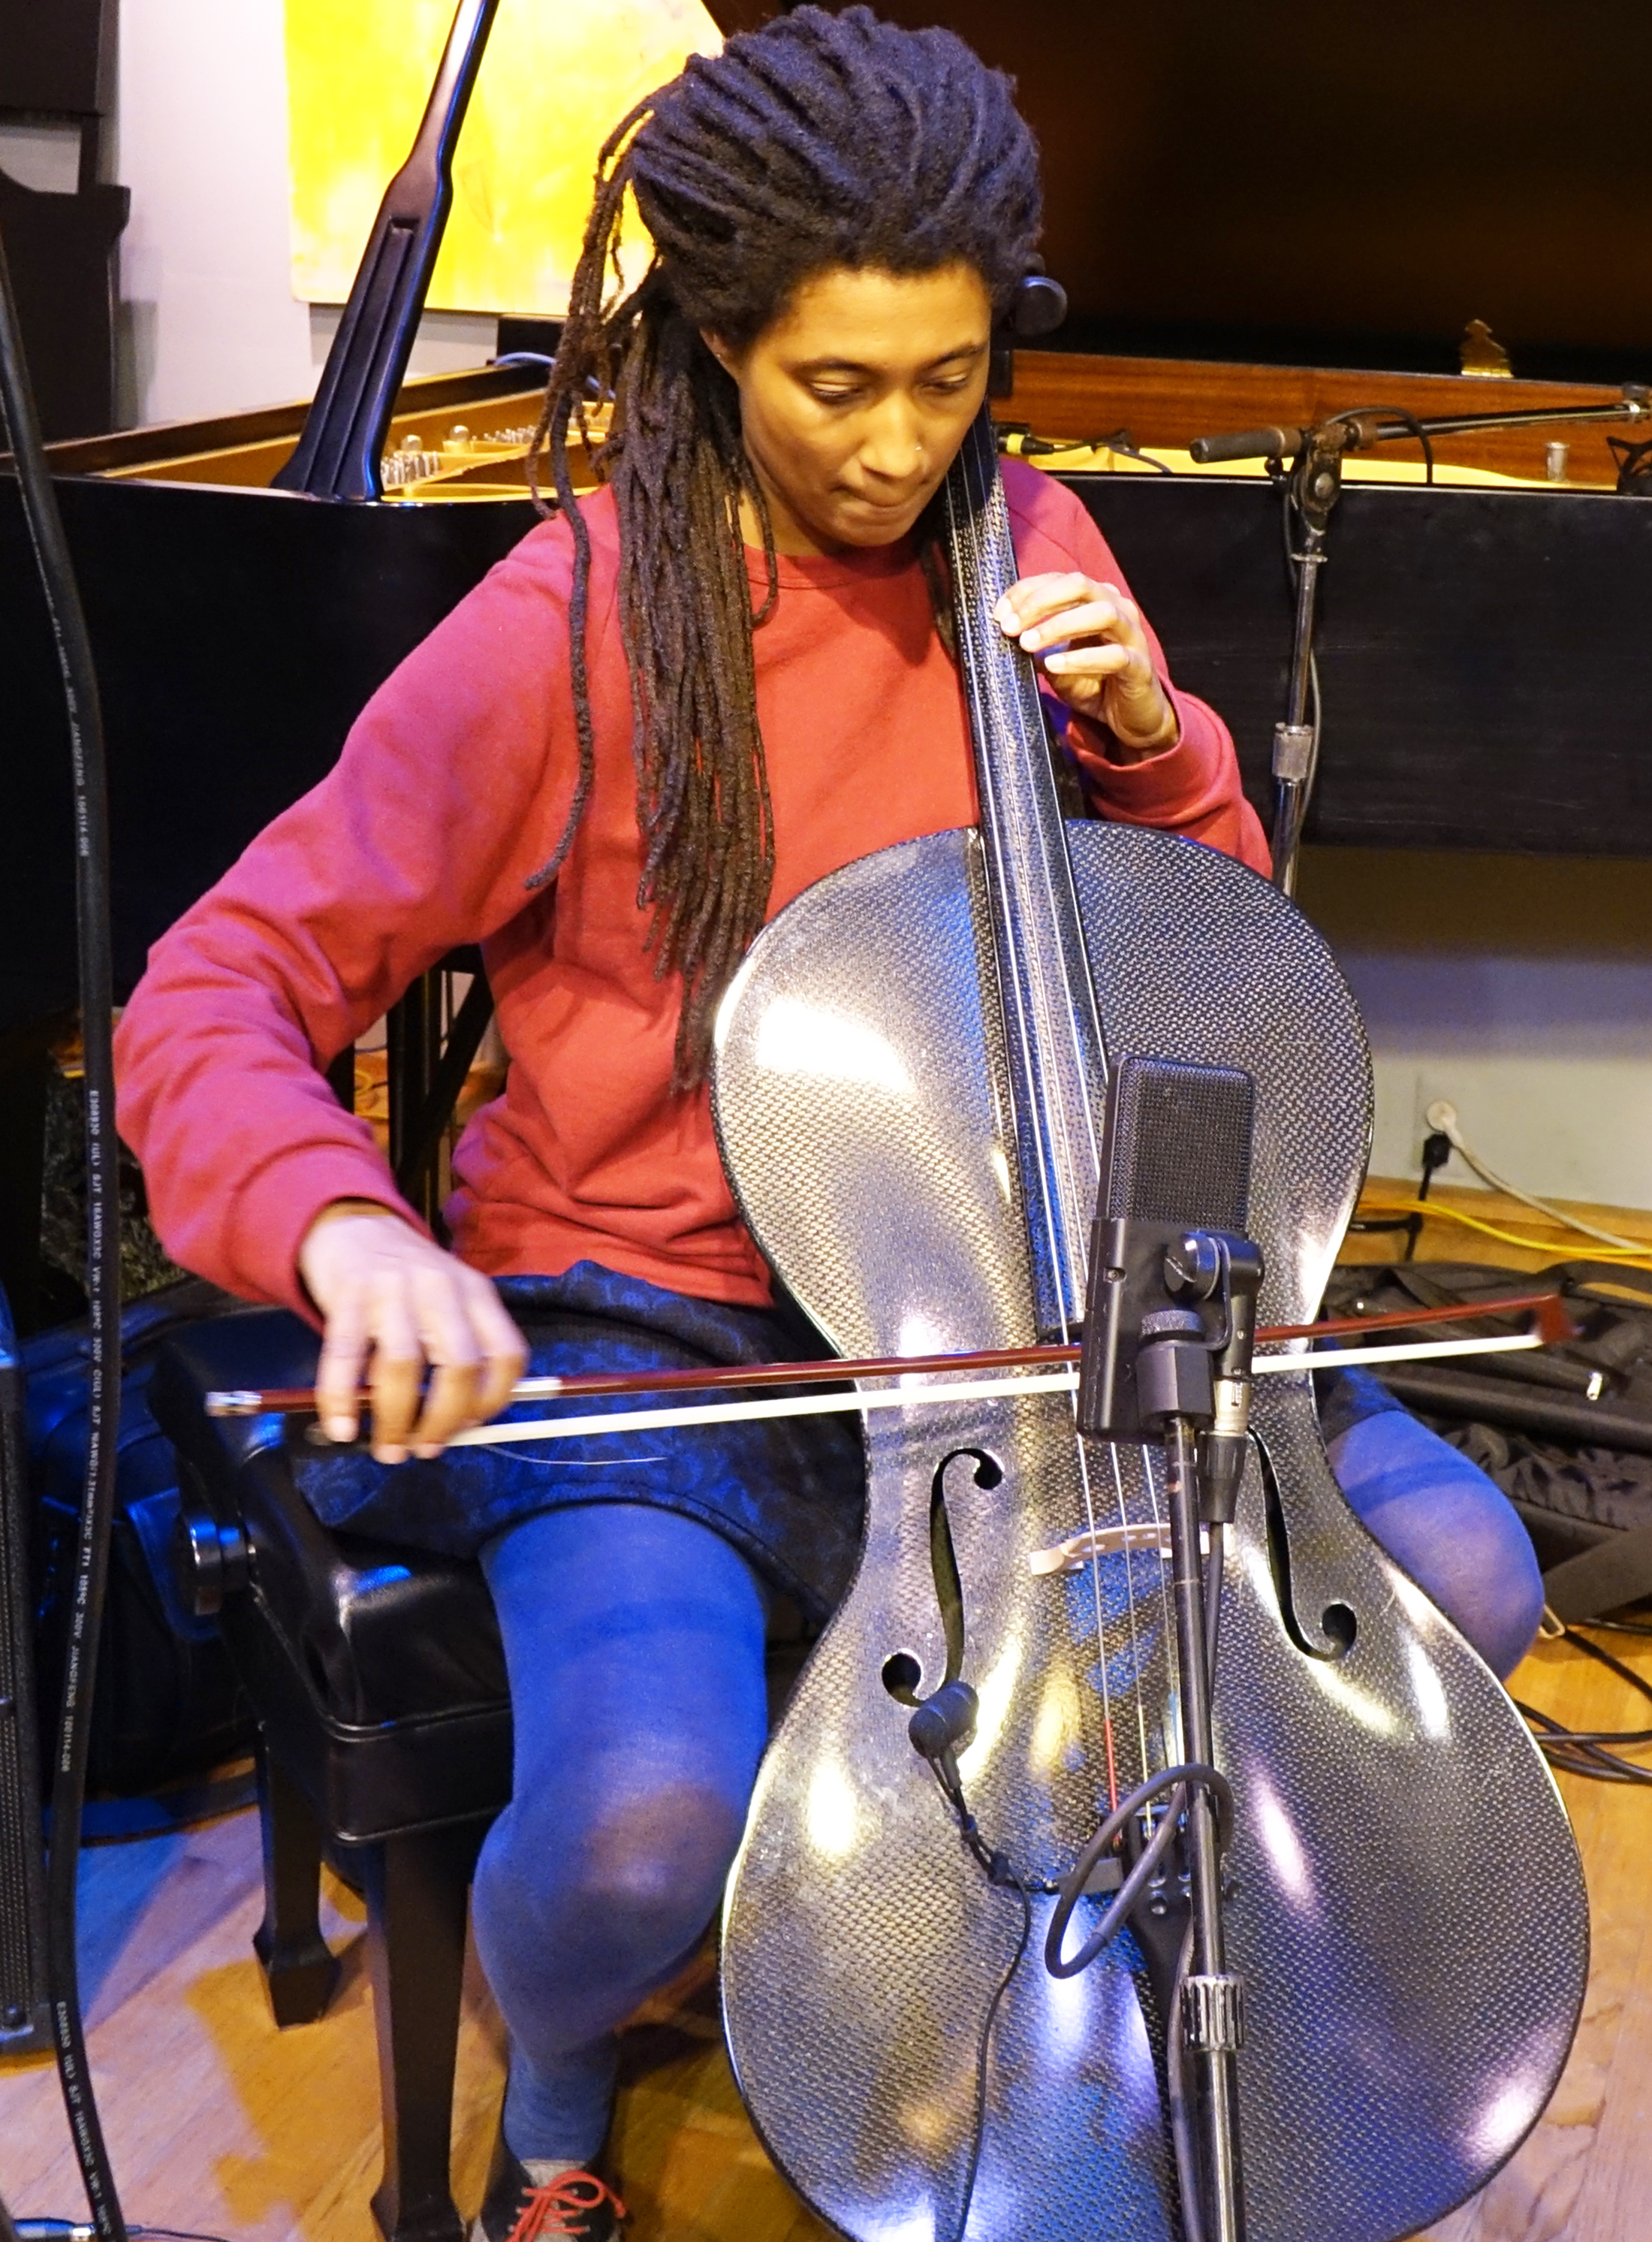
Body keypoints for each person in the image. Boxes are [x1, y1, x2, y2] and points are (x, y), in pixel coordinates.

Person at [115, 11, 1542, 2237]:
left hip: (1033, 1291)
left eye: (951, 381)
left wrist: (1156, 752)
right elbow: (220, 986)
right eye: (834, 388)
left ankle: (1121, 1983)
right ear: (709, 345)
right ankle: (562, 2083)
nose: (901, 454)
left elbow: (1209, 961)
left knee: (1463, 1572)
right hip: (662, 1320)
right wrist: (346, 1233)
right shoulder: (573, 619)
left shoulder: (1031, 536)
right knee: (635, 1829)